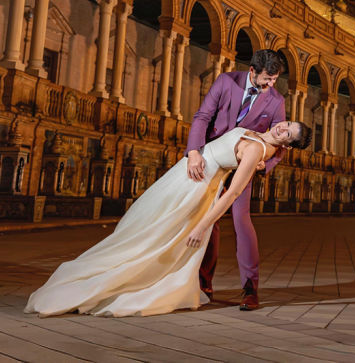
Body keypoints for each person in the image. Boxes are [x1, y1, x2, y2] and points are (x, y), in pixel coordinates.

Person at [25, 120, 309, 318]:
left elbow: (233, 193)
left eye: (288, 133)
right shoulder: (259, 139)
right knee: (144, 226)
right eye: (287, 123)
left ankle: (112, 281)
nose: (282, 127)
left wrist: (202, 225)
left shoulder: (258, 150)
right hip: (186, 175)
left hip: (196, 186)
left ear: (289, 145)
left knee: (155, 234)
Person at [186, 49, 287, 310]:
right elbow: (202, 116)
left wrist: (266, 162)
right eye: (267, 79)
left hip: (244, 165)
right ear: (252, 71)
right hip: (212, 160)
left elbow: (282, 142)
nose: (271, 85)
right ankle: (203, 282)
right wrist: (194, 152)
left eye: (275, 80)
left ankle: (250, 289)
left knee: (242, 221)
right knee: (209, 220)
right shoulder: (226, 82)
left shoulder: (276, 100)